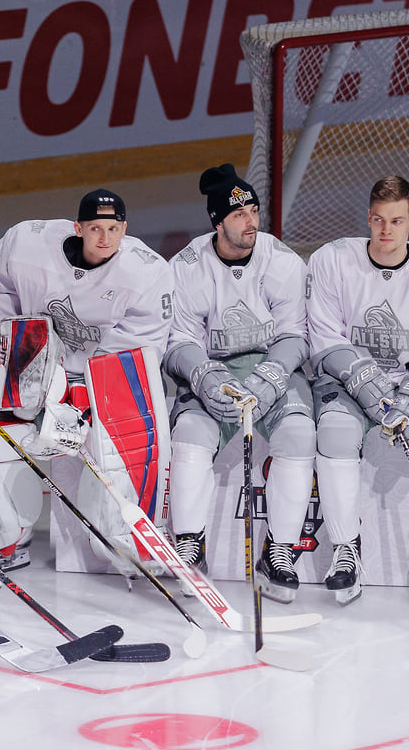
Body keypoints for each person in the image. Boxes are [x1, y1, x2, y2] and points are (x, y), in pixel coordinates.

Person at [0, 188, 174, 573]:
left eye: (114, 229)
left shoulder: (146, 271)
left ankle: (124, 538)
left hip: (100, 383)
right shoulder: (25, 243)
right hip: (33, 368)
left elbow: (140, 352)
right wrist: (34, 361)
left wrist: (79, 391)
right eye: (95, 228)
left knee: (112, 450)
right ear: (78, 227)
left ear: (125, 229)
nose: (104, 239)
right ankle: (8, 531)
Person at [305, 176, 409, 607]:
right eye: (378, 220)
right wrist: (361, 379)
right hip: (347, 380)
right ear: (368, 218)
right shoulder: (332, 261)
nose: (386, 231)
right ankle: (347, 551)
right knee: (337, 433)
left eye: (396, 221)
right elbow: (324, 337)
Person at [162, 164, 314, 603]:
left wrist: (271, 376)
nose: (251, 220)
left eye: (253, 208)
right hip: (213, 372)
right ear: (217, 221)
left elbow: (296, 333)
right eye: (239, 213)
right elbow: (178, 340)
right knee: (189, 436)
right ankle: (190, 546)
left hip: (273, 370)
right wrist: (203, 375)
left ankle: (279, 552)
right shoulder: (187, 266)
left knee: (300, 435)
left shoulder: (281, 260)